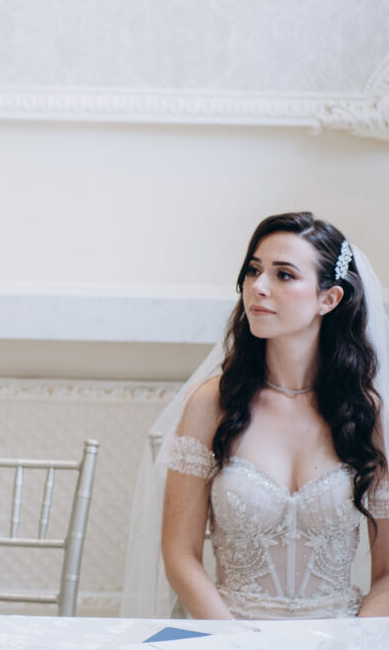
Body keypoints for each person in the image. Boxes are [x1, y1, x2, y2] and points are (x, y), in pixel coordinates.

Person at [139, 212, 389, 619]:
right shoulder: (212, 404)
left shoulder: (367, 413)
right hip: (230, 632)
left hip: (336, 638)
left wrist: (350, 642)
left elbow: (388, 574)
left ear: (328, 299)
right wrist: (233, 641)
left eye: (284, 275)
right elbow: (180, 556)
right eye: (254, 270)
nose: (258, 286)